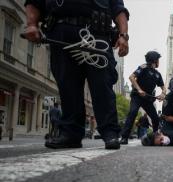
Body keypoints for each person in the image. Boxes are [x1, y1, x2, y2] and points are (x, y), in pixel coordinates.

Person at [23, 0, 129, 149]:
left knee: (102, 86)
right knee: (68, 86)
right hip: (61, 32)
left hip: (97, 33)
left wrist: (123, 35)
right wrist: (31, 24)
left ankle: (110, 132)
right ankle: (70, 133)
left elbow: (119, 9)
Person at [120, 51, 166, 144]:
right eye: (158, 59)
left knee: (155, 118)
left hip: (148, 99)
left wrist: (163, 94)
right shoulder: (143, 67)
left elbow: (163, 87)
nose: (159, 62)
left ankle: (155, 136)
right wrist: (139, 89)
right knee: (132, 112)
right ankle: (124, 137)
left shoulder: (157, 74)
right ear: (154, 60)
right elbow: (131, 77)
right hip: (137, 96)